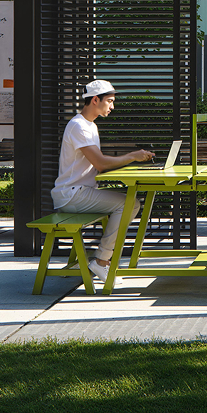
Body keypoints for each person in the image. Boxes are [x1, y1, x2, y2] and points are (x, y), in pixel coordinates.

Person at [54, 79, 152, 283]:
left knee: (129, 202)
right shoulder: (78, 126)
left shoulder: (89, 126)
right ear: (95, 100)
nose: (112, 106)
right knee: (130, 203)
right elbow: (100, 163)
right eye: (109, 101)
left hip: (81, 191)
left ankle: (102, 259)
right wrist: (132, 156)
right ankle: (102, 261)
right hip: (72, 194)